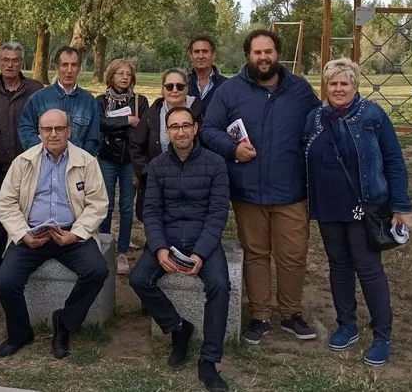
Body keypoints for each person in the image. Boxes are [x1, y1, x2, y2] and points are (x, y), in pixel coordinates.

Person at [200, 29, 320, 345]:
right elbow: (209, 130)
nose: (263, 57)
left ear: (277, 54)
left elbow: (320, 126)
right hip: (248, 190)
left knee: (293, 255)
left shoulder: (300, 90)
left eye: (268, 52)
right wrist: (232, 148)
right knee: (256, 254)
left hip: (291, 190)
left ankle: (292, 314)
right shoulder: (230, 91)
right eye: (257, 52)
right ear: (248, 56)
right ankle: (260, 316)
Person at [303, 58, 412, 366]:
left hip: (365, 205)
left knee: (367, 268)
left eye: (344, 83)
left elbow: (393, 160)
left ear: (355, 85)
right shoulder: (313, 118)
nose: (338, 88)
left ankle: (382, 336)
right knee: (338, 265)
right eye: (332, 83)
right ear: (325, 87)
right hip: (328, 205)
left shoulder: (372, 116)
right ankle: (347, 325)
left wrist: (402, 206)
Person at [0, 109, 109, 359]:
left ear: (69, 131)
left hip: (71, 233)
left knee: (97, 270)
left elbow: (98, 204)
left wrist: (76, 234)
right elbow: (7, 203)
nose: (53, 134)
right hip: (33, 234)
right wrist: (23, 234)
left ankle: (64, 324)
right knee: (6, 281)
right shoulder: (23, 161)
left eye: (59, 129)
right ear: (39, 132)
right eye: (47, 129)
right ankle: (20, 333)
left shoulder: (87, 161)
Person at [129, 107, 231, 392]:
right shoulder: (159, 165)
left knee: (220, 285)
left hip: (203, 240)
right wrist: (160, 248)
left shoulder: (215, 164)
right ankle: (177, 327)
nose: (181, 131)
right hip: (169, 238)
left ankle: (209, 360)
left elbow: (218, 213)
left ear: (195, 128)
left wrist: (200, 253)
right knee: (138, 279)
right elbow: (151, 212)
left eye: (186, 125)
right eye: (174, 126)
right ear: (167, 131)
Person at [0, 41, 43, 287]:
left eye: (15, 60)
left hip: (28, 166)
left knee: (28, 216)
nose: (10, 64)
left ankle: (25, 263)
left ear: (21, 63)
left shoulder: (36, 89)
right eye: (5, 59)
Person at [96, 58, 149, 274]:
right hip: (107, 158)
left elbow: (142, 130)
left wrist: (116, 127)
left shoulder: (140, 101)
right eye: (120, 73)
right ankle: (105, 247)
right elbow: (100, 123)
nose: (125, 77)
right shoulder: (100, 101)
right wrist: (127, 121)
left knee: (127, 207)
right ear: (111, 76)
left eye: (128, 74)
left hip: (130, 160)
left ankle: (122, 253)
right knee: (105, 205)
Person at [129, 68, 204, 221]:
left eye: (180, 86)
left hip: (193, 182)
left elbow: (208, 145)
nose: (174, 90)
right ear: (163, 89)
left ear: (187, 88)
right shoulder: (153, 113)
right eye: (169, 86)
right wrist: (147, 172)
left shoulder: (200, 111)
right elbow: (136, 144)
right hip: (159, 182)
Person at [18, 47, 100, 155]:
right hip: (43, 164)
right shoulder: (38, 99)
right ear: (57, 67)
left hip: (77, 166)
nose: (69, 70)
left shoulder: (89, 102)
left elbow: (93, 138)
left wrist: (81, 159)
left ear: (79, 68)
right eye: (65, 65)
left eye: (74, 65)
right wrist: (42, 153)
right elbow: (25, 129)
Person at [187, 36, 228, 109]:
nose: (201, 56)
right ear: (191, 56)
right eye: (196, 52)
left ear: (213, 55)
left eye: (205, 51)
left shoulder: (226, 85)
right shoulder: (181, 85)